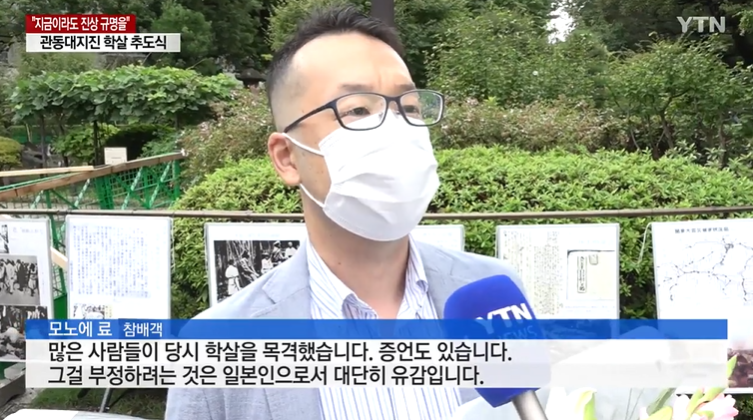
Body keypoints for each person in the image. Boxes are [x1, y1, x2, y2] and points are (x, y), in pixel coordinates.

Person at [165, 6, 660, 420]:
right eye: (356, 109)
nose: (395, 127)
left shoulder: (492, 295)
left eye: (409, 106)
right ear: (287, 157)